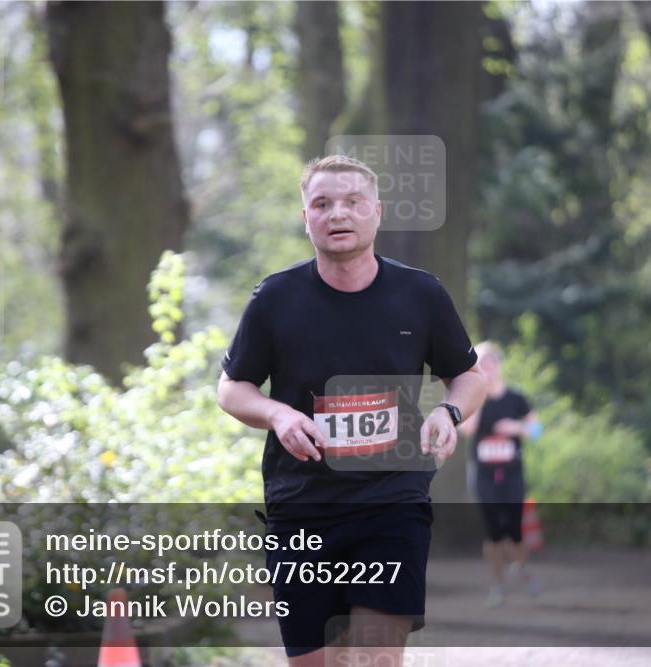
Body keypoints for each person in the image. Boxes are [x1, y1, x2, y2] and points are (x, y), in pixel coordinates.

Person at [217, 154, 486, 666]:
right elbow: (232, 388)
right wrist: (277, 414)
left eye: (352, 202)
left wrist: (447, 413)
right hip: (302, 508)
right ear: (306, 218)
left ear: (377, 212)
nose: (338, 213)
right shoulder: (276, 298)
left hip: (392, 503)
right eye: (322, 204)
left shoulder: (420, 294)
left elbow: (469, 377)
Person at [458, 341, 542, 607]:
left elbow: (537, 430)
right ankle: (498, 586)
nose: (487, 368)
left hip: (512, 474)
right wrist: (479, 395)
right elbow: (467, 431)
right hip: (483, 475)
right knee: (493, 533)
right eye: (481, 364)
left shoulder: (516, 398)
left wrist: (515, 428)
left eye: (490, 362)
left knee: (515, 530)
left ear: (499, 365)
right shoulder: (473, 399)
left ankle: (523, 570)